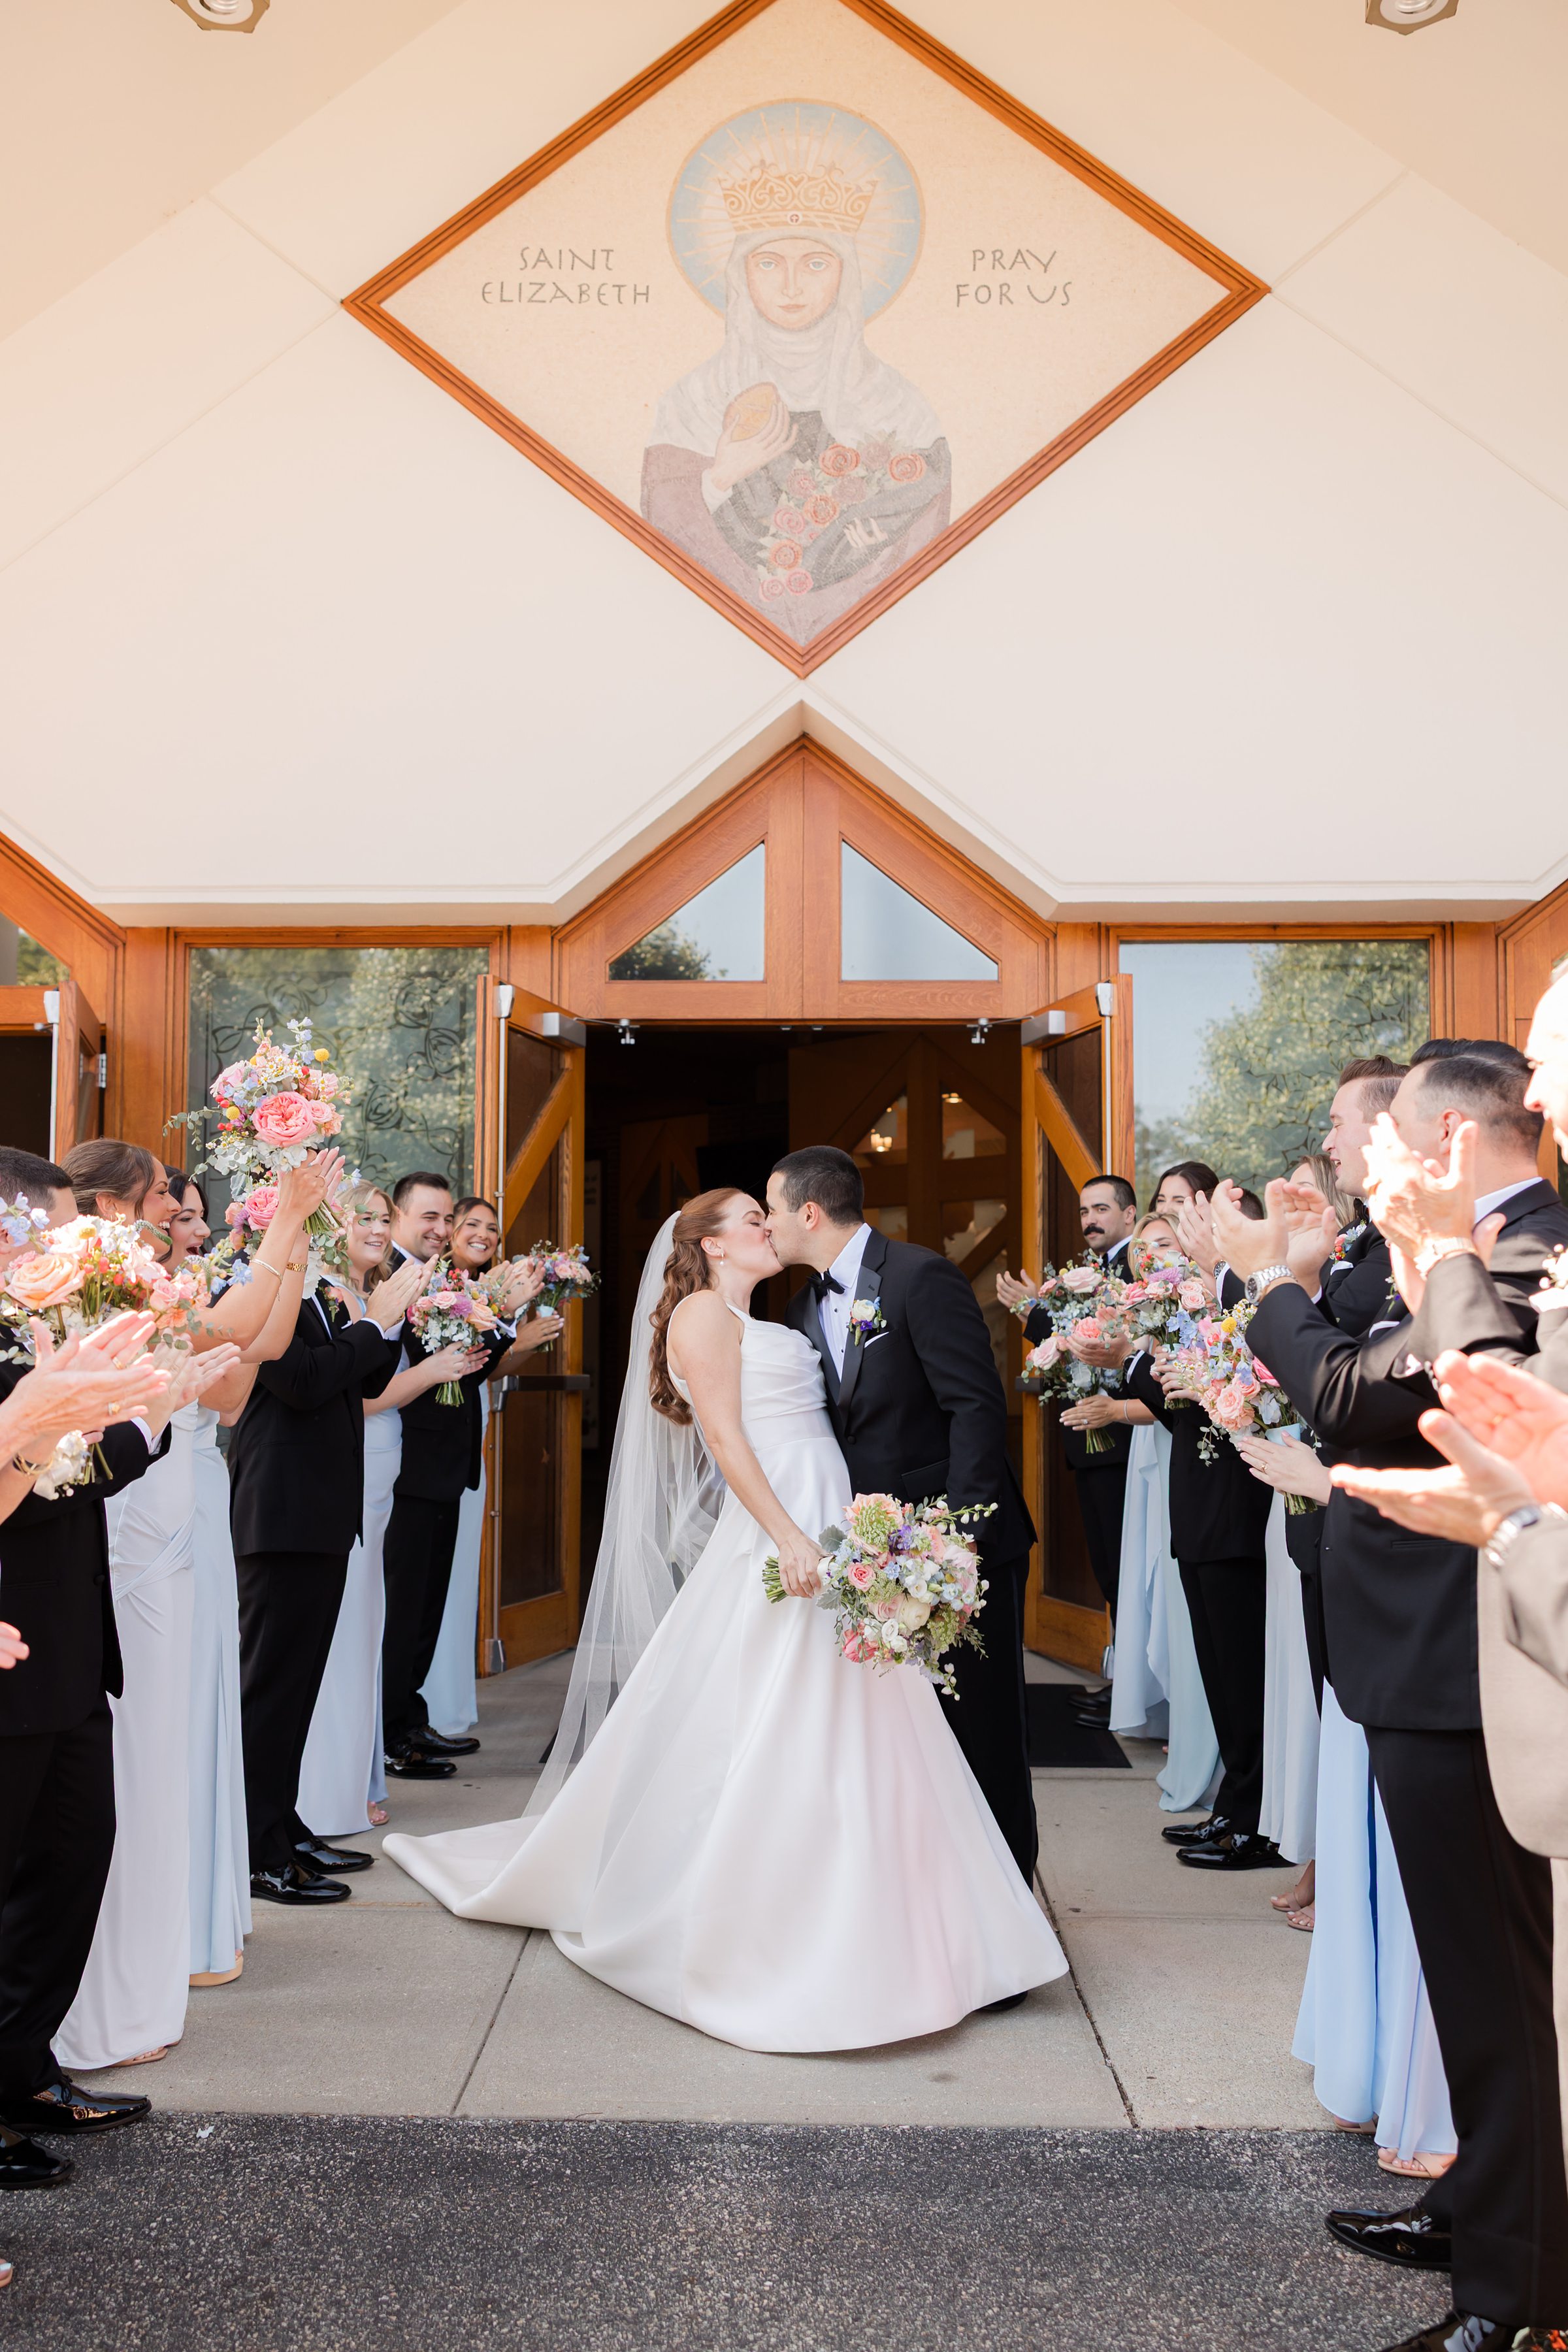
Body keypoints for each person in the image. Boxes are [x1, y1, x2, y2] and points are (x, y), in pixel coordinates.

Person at [384, 1188, 1068, 2049]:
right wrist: (787, 1537)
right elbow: (724, 1438)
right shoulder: (702, 1314)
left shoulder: (782, 1315)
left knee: (869, 1720)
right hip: (785, 1523)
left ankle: (891, 1908)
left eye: (765, 1211)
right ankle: (771, 1917)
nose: (764, 1225)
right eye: (748, 1217)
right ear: (707, 1245)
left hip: (837, 1512)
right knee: (782, 1714)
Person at [1214, 1106, 1568, 2346]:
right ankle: (1490, 2203)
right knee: (1477, 1986)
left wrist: (1280, 1284)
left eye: (1377, 1137)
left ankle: (1516, 2301)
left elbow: (1360, 1399)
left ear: (1448, 1139)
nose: (1358, 1162)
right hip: (1424, 1664)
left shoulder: (1530, 1259)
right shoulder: (1458, 1255)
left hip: (1475, 1670)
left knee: (1502, 1992)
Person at [0, 1149, 231, 2170]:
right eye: (44, 1230)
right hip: (13, 1639)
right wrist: (147, 1415)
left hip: (71, 1643)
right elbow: (52, 1473)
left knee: (71, 1859)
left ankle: (24, 2072)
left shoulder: (40, 1329)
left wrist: (153, 1402)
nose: (56, 1248)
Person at [771, 1147, 1039, 1886]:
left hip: (956, 1552)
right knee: (908, 1744)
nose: (767, 1225)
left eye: (773, 1209)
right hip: (874, 1559)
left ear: (810, 1212)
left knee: (982, 1737)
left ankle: (1010, 1910)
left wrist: (956, 1539)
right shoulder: (798, 1308)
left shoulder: (922, 1276)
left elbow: (976, 1408)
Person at [54, 1146, 246, 2073]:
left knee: (154, 1767)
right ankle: (90, 2007)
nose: (181, 1208)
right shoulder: (83, 1302)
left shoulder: (158, 1291)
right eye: (167, 1196)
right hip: (118, 1536)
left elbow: (242, 1360)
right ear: (112, 1206)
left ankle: (137, 1992)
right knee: (111, 1781)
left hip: (162, 1531)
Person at [641, 206, 951, 649]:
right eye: (767, 263)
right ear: (739, 276)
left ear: (847, 274)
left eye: (816, 263)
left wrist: (864, 556)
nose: (791, 286)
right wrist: (719, 478)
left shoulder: (897, 404)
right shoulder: (693, 401)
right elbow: (661, 527)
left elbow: (925, 537)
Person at [227, 1221, 427, 1905]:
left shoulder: (318, 1290)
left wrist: (384, 1323)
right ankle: (258, 1851)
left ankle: (284, 1824)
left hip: (319, 1512)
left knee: (299, 1684)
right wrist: (371, 1323)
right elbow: (303, 1382)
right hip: (280, 1512)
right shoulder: (255, 1287)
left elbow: (359, 1378)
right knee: (273, 1689)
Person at [298, 1184, 490, 1836]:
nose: (380, 1230)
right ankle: (329, 1788)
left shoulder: (374, 1292)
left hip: (384, 1467)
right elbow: (361, 1393)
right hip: (356, 1468)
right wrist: (435, 1368)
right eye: (368, 1219)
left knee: (370, 1623)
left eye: (384, 1219)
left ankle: (355, 1780)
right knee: (352, 1626)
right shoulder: (330, 1298)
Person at [380, 1174, 532, 1780]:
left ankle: (409, 1721)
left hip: (442, 1469)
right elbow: (428, 1371)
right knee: (401, 1612)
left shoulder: (437, 1278)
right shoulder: (391, 1279)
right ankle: (391, 1735)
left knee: (425, 1610)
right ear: (396, 1215)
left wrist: (502, 1314)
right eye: (431, 1217)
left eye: (447, 1219)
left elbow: (463, 1371)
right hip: (405, 1469)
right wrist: (498, 1313)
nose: (441, 1230)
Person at [998, 1173, 1138, 1730]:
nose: (1089, 1220)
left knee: (1124, 1571)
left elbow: (1098, 1339)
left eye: (1101, 1209)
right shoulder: (1091, 1275)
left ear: (1130, 1215)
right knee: (1109, 1571)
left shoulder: (1137, 1272)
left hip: (1125, 1443)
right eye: (1084, 1212)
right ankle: (1122, 1681)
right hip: (1091, 1444)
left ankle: (1129, 1688)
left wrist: (1037, 1317)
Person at [420, 1196, 562, 1740]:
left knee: (460, 1569)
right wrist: (514, 1333)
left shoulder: (488, 1291)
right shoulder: (444, 1287)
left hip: (470, 1418)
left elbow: (491, 1369)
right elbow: (476, 1362)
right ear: (451, 1229)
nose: (483, 1234)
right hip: (440, 1430)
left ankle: (448, 1699)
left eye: (493, 1229)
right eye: (472, 1224)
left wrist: (525, 1339)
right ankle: (431, 1704)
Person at [1100, 1214, 1221, 1816]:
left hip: (1213, 1487)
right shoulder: (1156, 1315)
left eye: (1163, 1245)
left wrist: (1127, 1372)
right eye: (1142, 1249)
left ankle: (1221, 1774)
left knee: (1213, 1639)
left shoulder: (1205, 1311)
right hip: (1177, 1478)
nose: (1149, 1257)